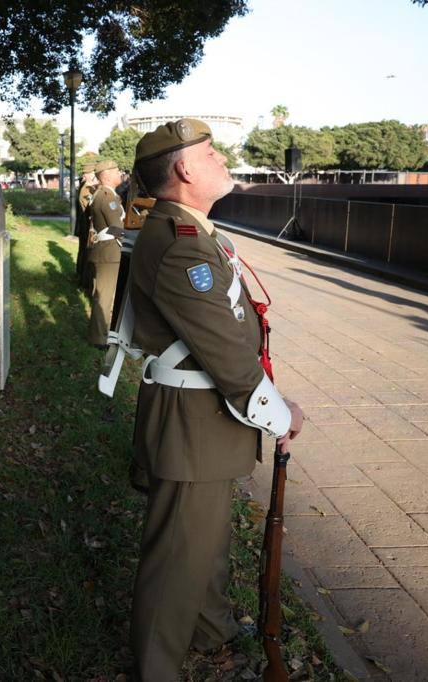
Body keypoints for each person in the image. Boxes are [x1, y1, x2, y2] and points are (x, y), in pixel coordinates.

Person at [124, 119, 303, 679]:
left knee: (206, 542)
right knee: (179, 554)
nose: (222, 157)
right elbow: (224, 349)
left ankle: (210, 629)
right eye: (211, 152)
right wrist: (278, 412)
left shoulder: (191, 233)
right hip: (192, 424)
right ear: (184, 169)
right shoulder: (181, 247)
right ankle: (156, 667)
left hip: (204, 422)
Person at [86, 159, 125, 346]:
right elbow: (117, 228)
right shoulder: (107, 196)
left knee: (103, 296)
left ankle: (100, 335)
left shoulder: (103, 194)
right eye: (116, 170)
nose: (120, 173)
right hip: (109, 254)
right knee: (104, 298)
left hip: (105, 252)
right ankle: (98, 339)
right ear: (107, 174)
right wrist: (131, 240)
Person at [75, 163, 98, 285]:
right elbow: (89, 206)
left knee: (83, 251)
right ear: (89, 174)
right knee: (85, 251)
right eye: (93, 173)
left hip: (84, 223)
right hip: (85, 224)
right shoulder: (86, 188)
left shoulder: (85, 186)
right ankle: (82, 279)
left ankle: (80, 276)